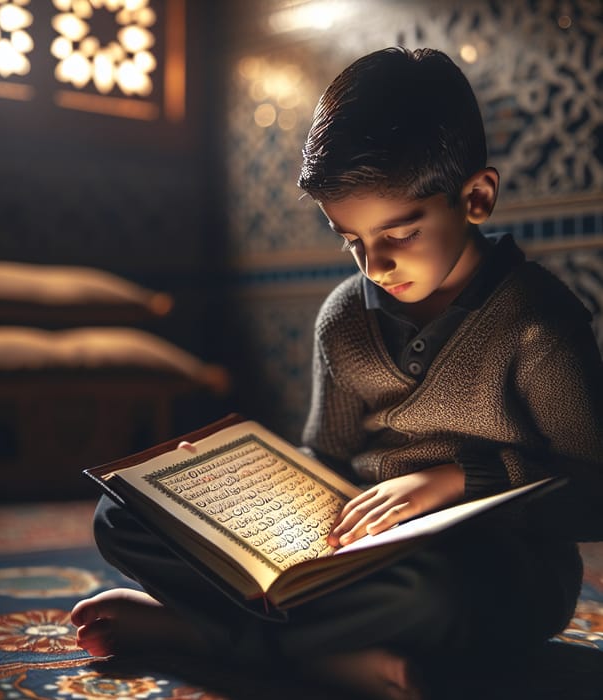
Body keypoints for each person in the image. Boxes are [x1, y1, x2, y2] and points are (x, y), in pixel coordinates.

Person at [71, 48, 603, 699]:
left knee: (421, 593)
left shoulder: (537, 325)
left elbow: (592, 491)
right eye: (351, 241)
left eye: (399, 235)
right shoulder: (345, 319)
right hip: (358, 558)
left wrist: (454, 481)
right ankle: (319, 652)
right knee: (119, 515)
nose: (374, 265)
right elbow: (326, 460)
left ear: (476, 197)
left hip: (491, 566)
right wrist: (223, 482)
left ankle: (206, 637)